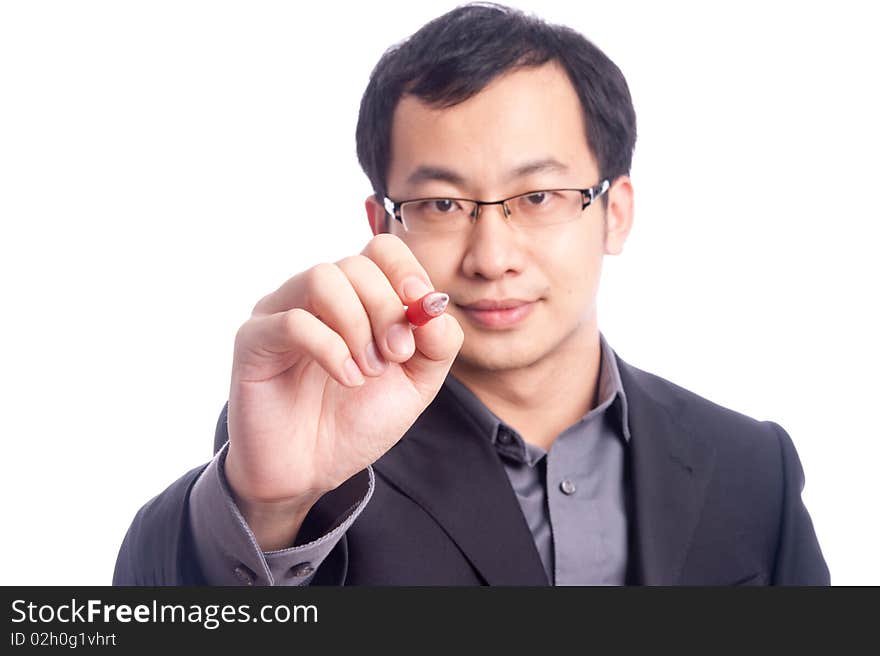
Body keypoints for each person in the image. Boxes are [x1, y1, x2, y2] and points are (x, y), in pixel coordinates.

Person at [113, 2, 830, 586]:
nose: (491, 258)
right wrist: (268, 506)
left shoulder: (750, 465)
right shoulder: (317, 452)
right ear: (382, 225)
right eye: (442, 205)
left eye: (540, 195)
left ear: (616, 212)